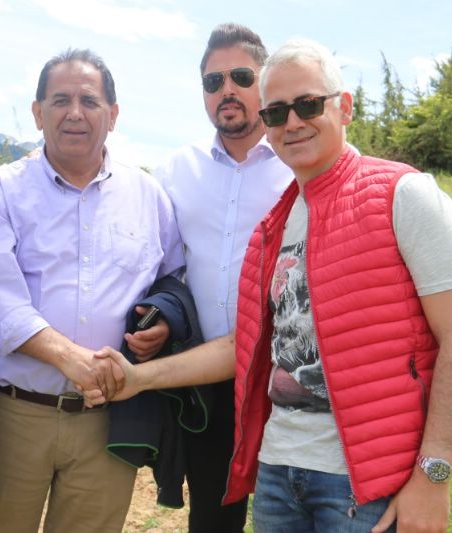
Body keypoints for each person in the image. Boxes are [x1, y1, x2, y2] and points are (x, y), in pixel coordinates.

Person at [90, 38, 452, 532]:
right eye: (277, 112)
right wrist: (140, 378)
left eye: (308, 104)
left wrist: (433, 474)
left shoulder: (404, 196)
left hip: (364, 484)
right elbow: (243, 346)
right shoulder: (273, 227)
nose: (293, 122)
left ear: (344, 107)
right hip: (279, 475)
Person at [0, 48, 185, 533]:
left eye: (90, 101)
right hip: (14, 414)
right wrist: (72, 360)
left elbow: (173, 280)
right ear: (38, 112)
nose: (75, 113)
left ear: (114, 114)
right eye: (60, 100)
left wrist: (164, 322)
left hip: (109, 421)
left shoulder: (148, 196)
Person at [152, 22, 292, 532]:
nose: (226, 90)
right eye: (214, 81)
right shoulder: (177, 171)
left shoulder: (298, 160)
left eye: (241, 77)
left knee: (295, 510)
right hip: (207, 379)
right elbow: (166, 268)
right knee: (212, 515)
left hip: (286, 376)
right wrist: (162, 319)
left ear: (265, 82)